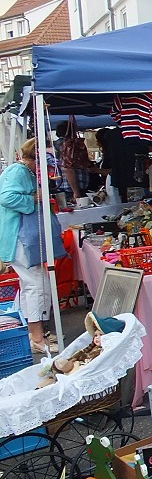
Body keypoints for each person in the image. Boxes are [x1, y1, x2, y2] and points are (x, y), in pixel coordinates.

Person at [0, 139, 68, 354]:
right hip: (20, 237)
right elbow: (7, 197)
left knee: (36, 284)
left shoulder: (22, 171)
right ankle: (37, 337)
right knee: (36, 285)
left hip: (23, 237)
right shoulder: (18, 171)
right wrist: (33, 198)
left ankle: (35, 333)